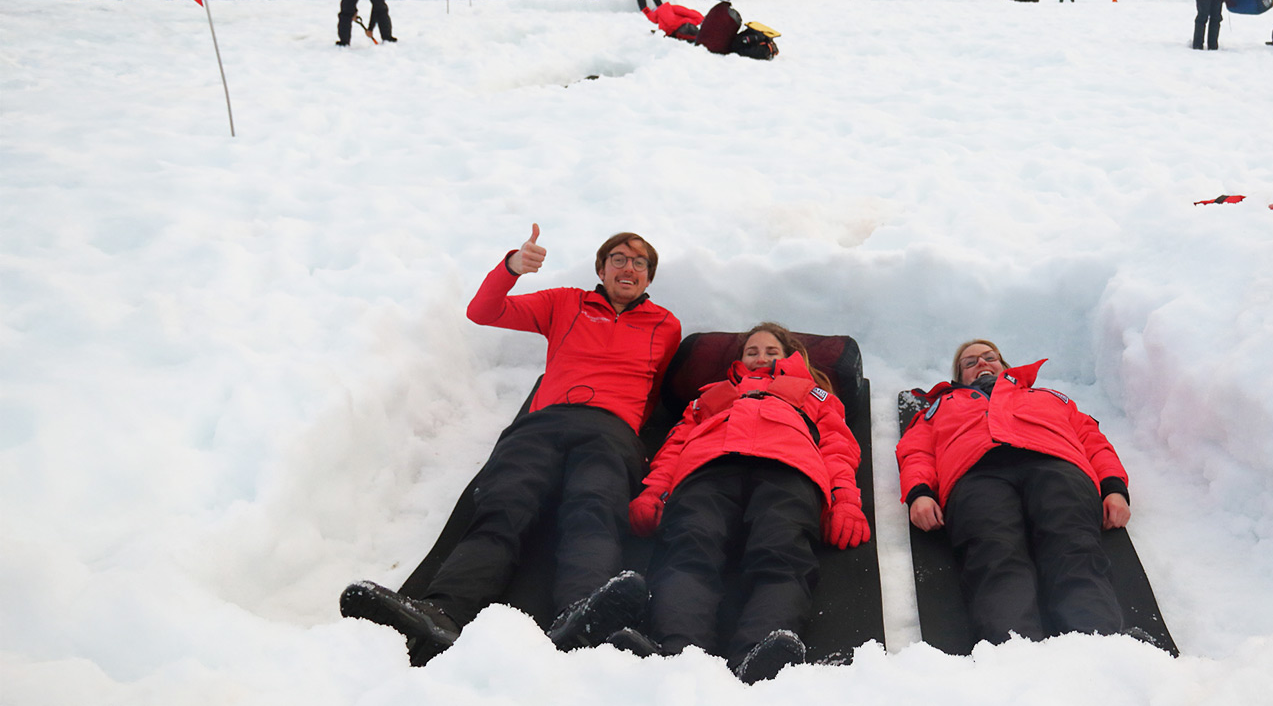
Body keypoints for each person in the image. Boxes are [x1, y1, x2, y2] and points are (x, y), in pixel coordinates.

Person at [340, 225, 683, 660]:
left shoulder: (665, 324)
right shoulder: (565, 302)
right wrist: (511, 268)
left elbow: (653, 389)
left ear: (648, 278)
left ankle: (582, 614)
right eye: (618, 258)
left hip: (610, 431)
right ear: (601, 269)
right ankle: (443, 610)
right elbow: (484, 311)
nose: (628, 267)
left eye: (639, 262)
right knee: (503, 506)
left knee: (594, 511)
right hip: (544, 423)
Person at [627, 323, 870, 682]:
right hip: (707, 469)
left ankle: (759, 655)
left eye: (771, 351)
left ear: (788, 356)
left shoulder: (812, 393)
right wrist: (655, 492)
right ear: (739, 359)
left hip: (788, 469)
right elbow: (674, 447)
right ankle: (679, 651)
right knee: (689, 549)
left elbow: (838, 449)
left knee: (781, 554)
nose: (760, 357)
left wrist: (845, 502)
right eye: (751, 351)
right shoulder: (710, 395)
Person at [896, 339, 1130, 645]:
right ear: (959, 377)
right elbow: (916, 451)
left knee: (1072, 548)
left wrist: (1114, 486)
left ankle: (1097, 645)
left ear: (1003, 365)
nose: (980, 363)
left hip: (1056, 466)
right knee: (995, 556)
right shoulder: (940, 407)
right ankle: (1013, 651)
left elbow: (1093, 440)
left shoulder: (1050, 397)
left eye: (989, 357)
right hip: (976, 475)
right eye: (969, 362)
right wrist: (920, 492)